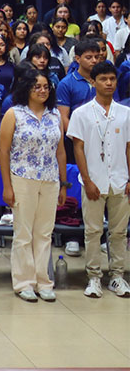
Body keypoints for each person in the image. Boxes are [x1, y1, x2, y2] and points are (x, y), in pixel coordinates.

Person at [0, 69, 67, 303]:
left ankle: (44, 281)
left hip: (50, 179)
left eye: (46, 86)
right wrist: (7, 186)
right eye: (37, 86)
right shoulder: (14, 113)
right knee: (24, 233)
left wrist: (64, 183)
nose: (42, 90)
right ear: (26, 88)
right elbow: (4, 151)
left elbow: (60, 151)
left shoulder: (55, 115)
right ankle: (24, 282)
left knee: (44, 233)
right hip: (22, 177)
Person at [66, 61, 130, 298]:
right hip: (93, 180)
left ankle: (117, 277)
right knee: (92, 231)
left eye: (112, 79)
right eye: (103, 79)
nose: (109, 83)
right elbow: (78, 149)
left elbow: (128, 148)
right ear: (93, 82)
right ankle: (93, 277)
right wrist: (87, 179)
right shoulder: (81, 113)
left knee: (119, 232)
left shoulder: (125, 113)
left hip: (121, 180)